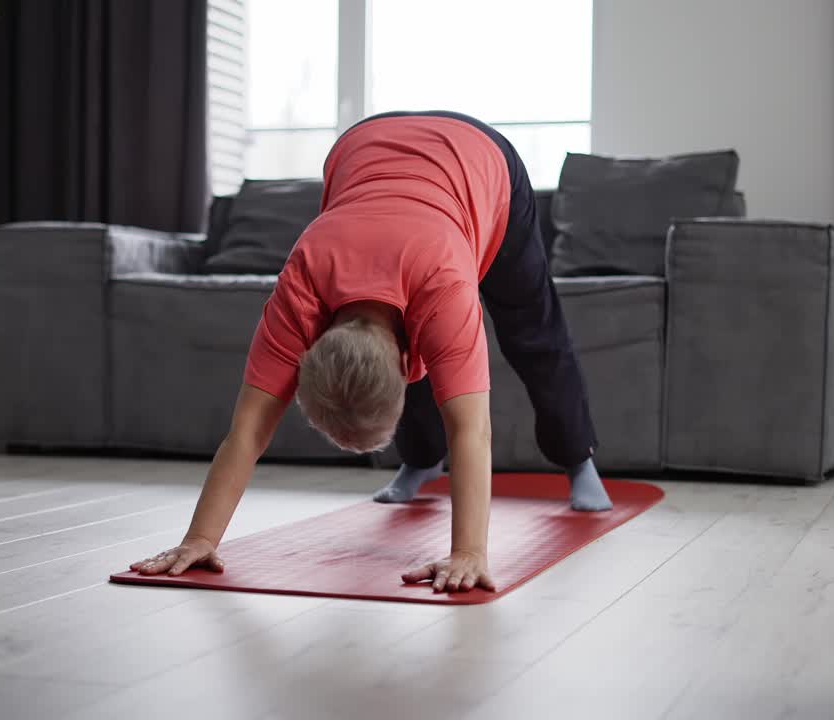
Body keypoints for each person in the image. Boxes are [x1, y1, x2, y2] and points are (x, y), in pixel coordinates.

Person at [130, 110, 612, 594]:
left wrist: (469, 552)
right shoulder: (300, 289)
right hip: (364, 145)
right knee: (439, 360)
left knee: (531, 328)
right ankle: (422, 460)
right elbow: (247, 431)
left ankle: (577, 457)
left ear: (407, 366)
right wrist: (199, 539)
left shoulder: (442, 290)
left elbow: (472, 430)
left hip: (483, 160)